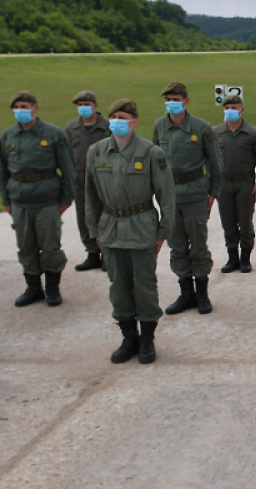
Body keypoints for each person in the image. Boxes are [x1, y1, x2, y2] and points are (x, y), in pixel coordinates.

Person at [85, 99, 175, 364]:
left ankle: (147, 339)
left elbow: (166, 196)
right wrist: (95, 230)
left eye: (123, 117)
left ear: (134, 121)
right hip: (110, 228)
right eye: (113, 116)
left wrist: (162, 232)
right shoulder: (96, 152)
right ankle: (128, 338)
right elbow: (90, 196)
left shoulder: (150, 152)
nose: (117, 121)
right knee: (119, 287)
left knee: (145, 287)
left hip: (141, 227)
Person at [153, 82, 223, 316]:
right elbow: (155, 163)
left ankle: (202, 294)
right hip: (170, 197)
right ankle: (186, 293)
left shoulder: (201, 128)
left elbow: (215, 162)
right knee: (177, 246)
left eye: (176, 99)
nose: (171, 103)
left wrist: (213, 193)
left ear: (186, 101)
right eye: (168, 99)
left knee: (199, 245)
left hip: (195, 194)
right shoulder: (159, 127)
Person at [0, 91, 76, 307]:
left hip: (47, 201)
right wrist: (6, 199)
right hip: (20, 201)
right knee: (25, 248)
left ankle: (53, 288)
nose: (20, 111)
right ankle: (33, 288)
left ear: (35, 108)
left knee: (50, 247)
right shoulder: (7, 137)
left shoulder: (53, 134)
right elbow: (3, 171)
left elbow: (68, 169)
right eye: (16, 107)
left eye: (25, 106)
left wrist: (66, 199)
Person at [213, 94, 256, 274]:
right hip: (224, 184)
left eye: (234, 108)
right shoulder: (215, 133)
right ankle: (232, 258)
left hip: (245, 184)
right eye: (227, 108)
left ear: (241, 110)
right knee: (228, 222)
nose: (230, 111)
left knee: (245, 222)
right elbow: (209, 159)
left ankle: (245, 258)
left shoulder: (254, 134)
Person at [64, 90, 111, 272]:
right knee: (84, 218)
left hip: (103, 180)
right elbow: (66, 156)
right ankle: (92, 253)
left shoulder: (107, 126)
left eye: (86, 104)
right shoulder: (71, 128)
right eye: (80, 105)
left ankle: (106, 253)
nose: (83, 108)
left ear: (95, 105)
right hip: (80, 181)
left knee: (105, 216)